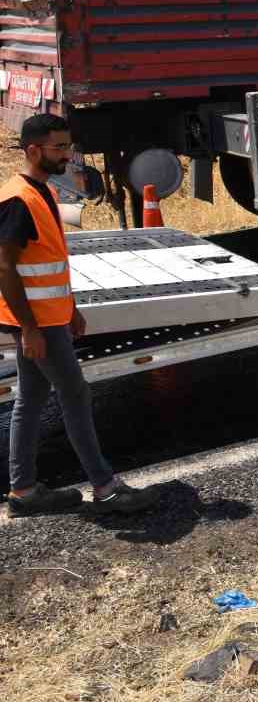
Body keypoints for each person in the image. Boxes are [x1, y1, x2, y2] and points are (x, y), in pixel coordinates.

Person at [3, 113, 156, 517]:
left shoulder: (43, 191)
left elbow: (47, 261)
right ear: (33, 150)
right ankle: (105, 488)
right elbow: (5, 268)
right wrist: (30, 328)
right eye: (58, 147)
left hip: (50, 317)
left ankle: (23, 491)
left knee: (32, 397)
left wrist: (71, 308)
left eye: (68, 147)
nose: (67, 155)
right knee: (74, 394)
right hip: (37, 322)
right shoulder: (17, 200)